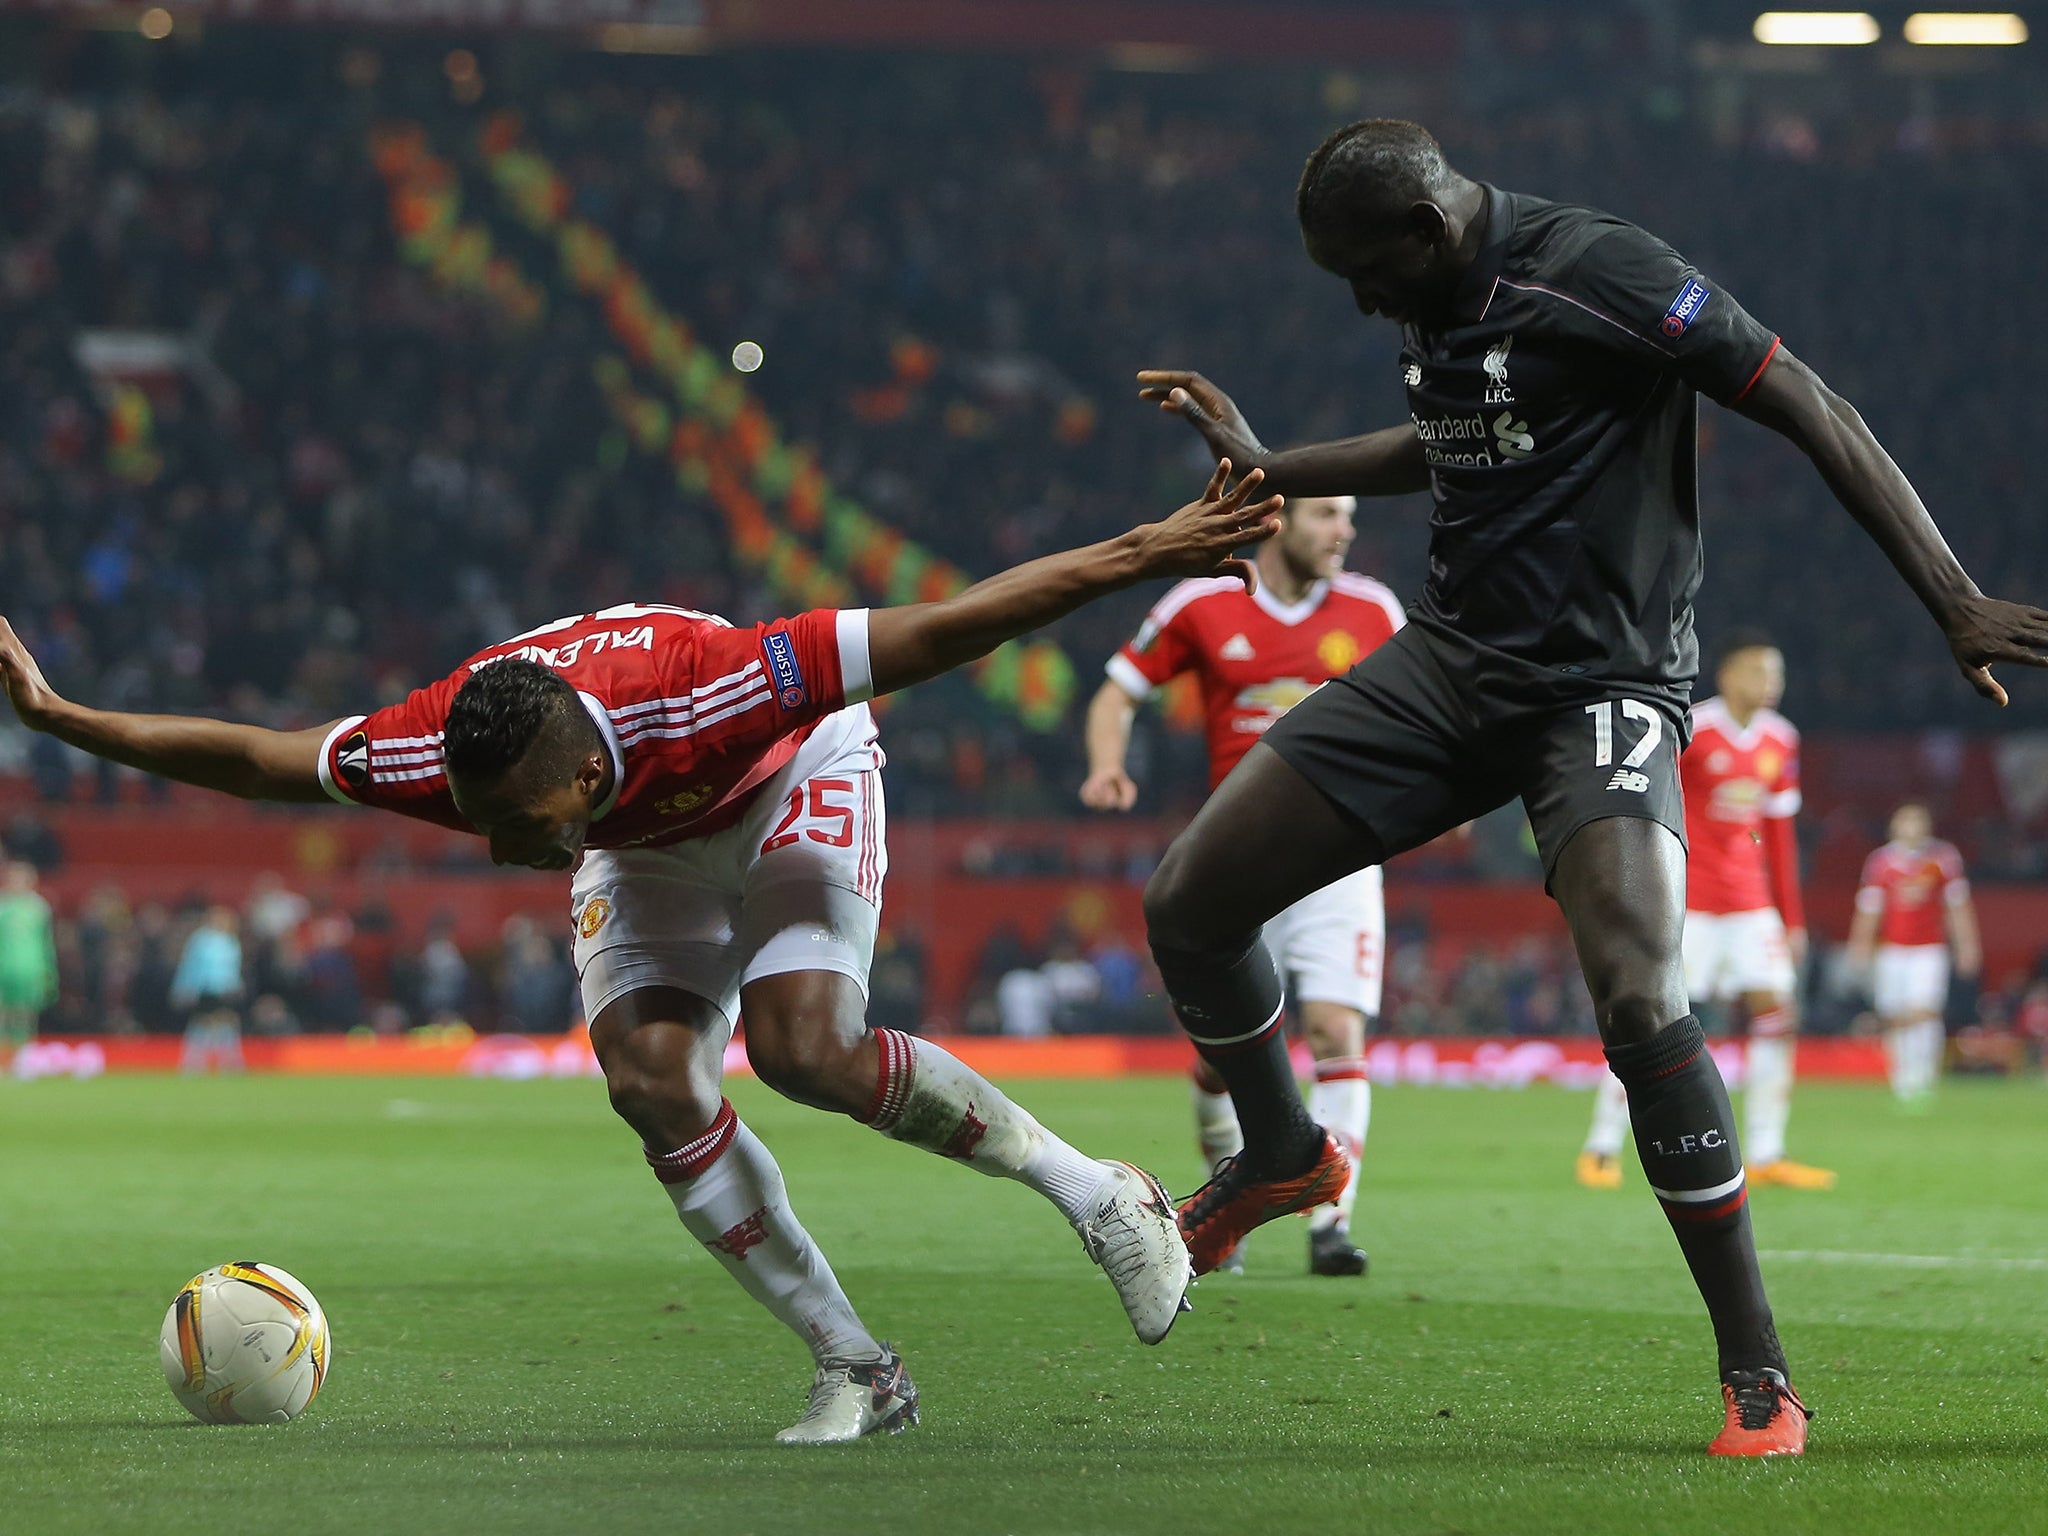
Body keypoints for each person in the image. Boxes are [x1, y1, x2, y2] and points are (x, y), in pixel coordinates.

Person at [0, 464, 1280, 1445]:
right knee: (652, 1080)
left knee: (800, 1048)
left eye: (523, 823)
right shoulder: (429, 748)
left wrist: (1145, 550)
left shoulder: (712, 683)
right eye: (485, 823)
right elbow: (251, 758)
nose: (506, 850)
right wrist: (61, 718)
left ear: (579, 761)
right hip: (646, 847)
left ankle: (1100, 1195)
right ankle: (857, 1367)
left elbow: (946, 628)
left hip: (787, 786)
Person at [1131, 118, 2048, 1457]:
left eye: (1362, 272)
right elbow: (1449, 437)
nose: (1359, 299)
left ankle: (1758, 1372)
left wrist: (1951, 597)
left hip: (1602, 689)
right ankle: (1285, 1154)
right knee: (1188, 903)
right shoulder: (1443, 290)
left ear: (1428, 231)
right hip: (1449, 665)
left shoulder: (1605, 270)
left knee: (1635, 989)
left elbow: (1810, 404)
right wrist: (1278, 465)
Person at [1081, 494, 1403, 1276]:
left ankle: (1332, 1218)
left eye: (1349, 515)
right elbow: (1119, 689)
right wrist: (1107, 763)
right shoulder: (1202, 601)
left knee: (1335, 1031)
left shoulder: (1374, 609)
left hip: (1338, 854)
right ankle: (1237, 1203)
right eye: (1327, 514)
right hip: (1238, 858)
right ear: (1280, 520)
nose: (1345, 530)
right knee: (1220, 1060)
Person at [1578, 631, 1835, 1192]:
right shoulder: (1695, 727)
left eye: (1778, 676)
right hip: (1688, 902)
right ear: (1729, 676)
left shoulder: (1781, 740)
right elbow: (1653, 806)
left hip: (1751, 906)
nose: (1771, 685)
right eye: (1760, 674)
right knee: (1650, 1019)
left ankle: (1767, 1151)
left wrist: (1791, 919)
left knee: (1778, 1016)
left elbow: (1778, 835)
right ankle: (1600, 1146)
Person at [1846, 802, 1980, 1109]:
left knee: (1925, 1010)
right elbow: (1869, 909)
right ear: (1894, 826)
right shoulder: (1880, 862)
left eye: (1917, 820)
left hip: (1929, 950)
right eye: (1905, 821)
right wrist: (1861, 944)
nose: (1911, 827)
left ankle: (1924, 1078)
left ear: (1927, 825)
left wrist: (1967, 945)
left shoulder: (1942, 859)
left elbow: (1957, 907)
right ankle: (1902, 1078)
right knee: (1895, 1014)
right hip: (1892, 950)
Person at [171, 905, 246, 1074]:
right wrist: (184, 987)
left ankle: (228, 1063)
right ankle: (193, 1062)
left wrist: (237, 985)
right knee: (205, 1024)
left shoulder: (230, 941)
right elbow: (190, 965)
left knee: (224, 1024)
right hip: (206, 988)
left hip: (225, 989)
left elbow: (233, 968)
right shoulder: (201, 940)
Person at [0, 861, 58, 1047]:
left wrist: (49, 971)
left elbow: (46, 942)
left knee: (26, 1014)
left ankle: (23, 1055)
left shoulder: (39, 907)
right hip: (4, 967)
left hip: (31, 968)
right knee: (3, 1012)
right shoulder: (3, 906)